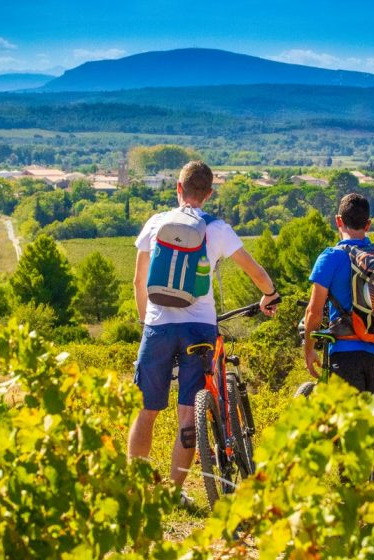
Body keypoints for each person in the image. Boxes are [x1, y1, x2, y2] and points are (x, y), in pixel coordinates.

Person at [128, 160, 280, 499]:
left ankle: (136, 491)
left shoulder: (155, 224)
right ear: (208, 194)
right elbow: (254, 271)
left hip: (157, 326)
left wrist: (146, 325)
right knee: (188, 413)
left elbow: (139, 281)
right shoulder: (217, 229)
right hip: (198, 328)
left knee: (146, 411)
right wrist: (270, 294)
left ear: (178, 188)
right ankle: (173, 492)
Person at [303, 193, 374, 420]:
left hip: (345, 354)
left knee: (350, 435)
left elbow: (313, 312)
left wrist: (309, 348)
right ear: (368, 224)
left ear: (338, 221)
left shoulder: (330, 257)